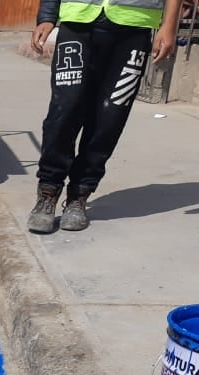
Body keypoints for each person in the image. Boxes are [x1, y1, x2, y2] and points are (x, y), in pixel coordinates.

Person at [27, 0, 181, 234]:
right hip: (77, 23)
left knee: (110, 117)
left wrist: (168, 26)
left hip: (134, 26)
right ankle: (48, 190)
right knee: (64, 110)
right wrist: (47, 16)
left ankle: (79, 196)